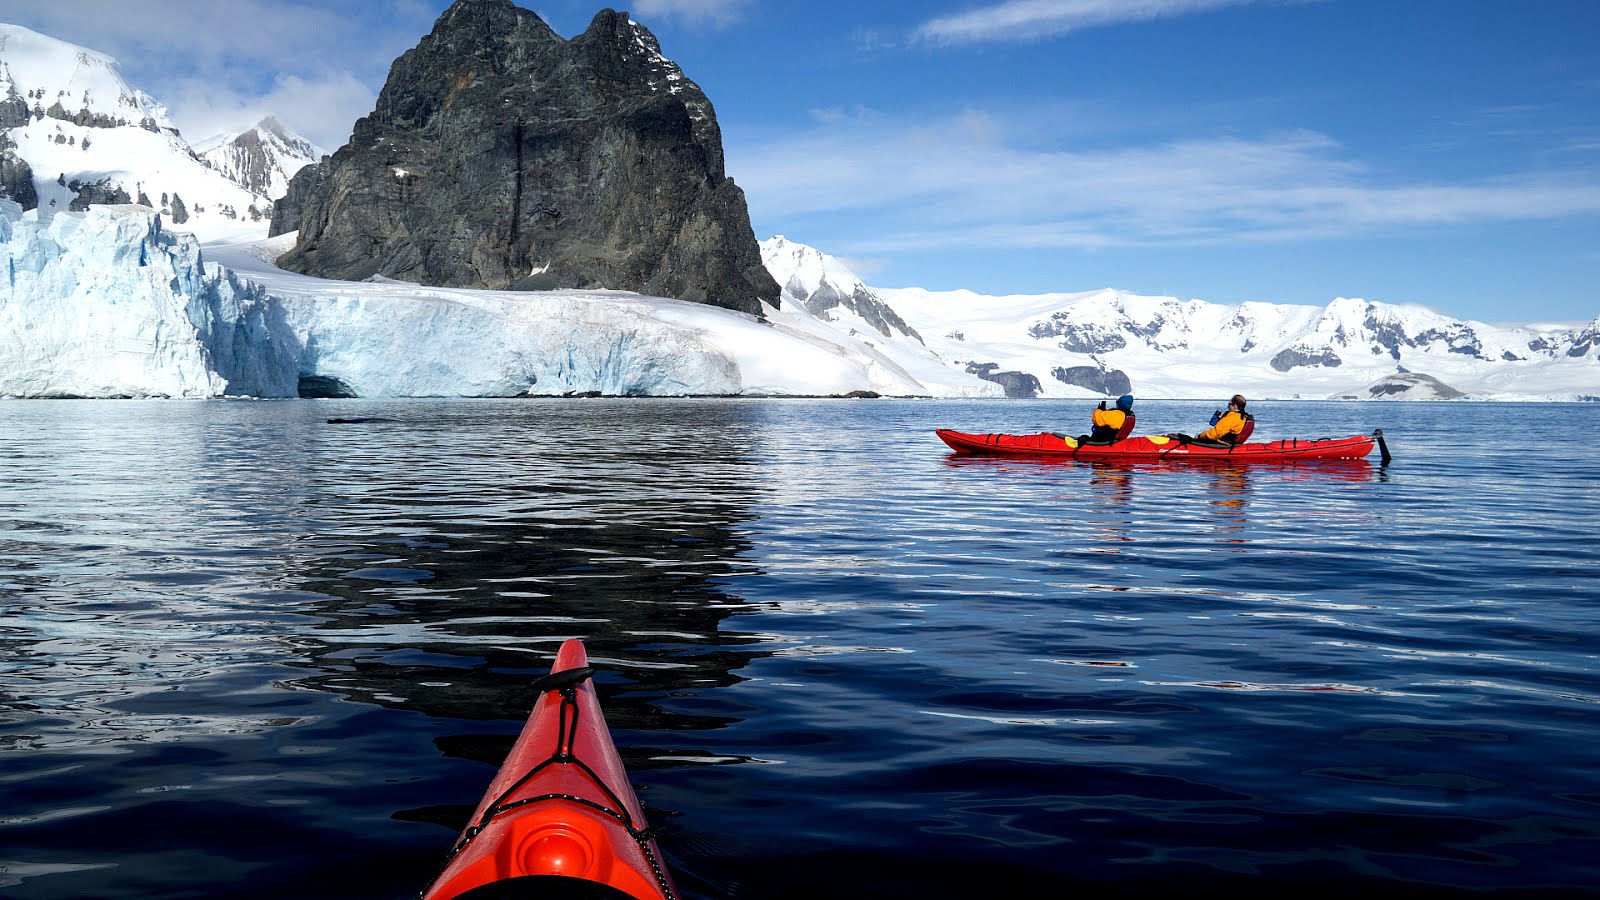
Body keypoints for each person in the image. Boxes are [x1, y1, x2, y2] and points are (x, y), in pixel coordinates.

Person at [1169, 394, 1249, 445]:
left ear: (1234, 406)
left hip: (1220, 443)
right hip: (1227, 442)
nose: (1228, 406)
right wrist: (1221, 420)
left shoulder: (1232, 417)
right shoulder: (1243, 417)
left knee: (1187, 438)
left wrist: (1200, 436)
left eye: (1229, 404)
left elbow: (1215, 434)